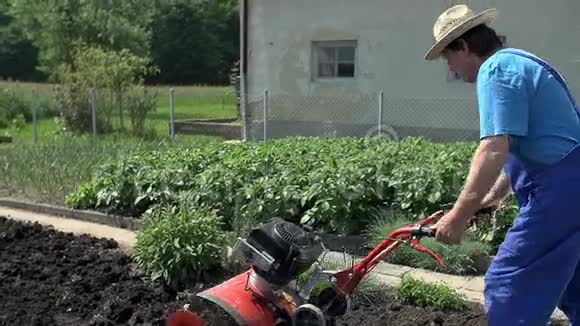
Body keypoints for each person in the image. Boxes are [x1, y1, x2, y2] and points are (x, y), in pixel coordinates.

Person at [424, 4, 580, 326]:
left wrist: (458, 215)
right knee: (574, 286)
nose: (451, 68)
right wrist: (490, 197)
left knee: (510, 284)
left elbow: (493, 148)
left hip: (563, 194)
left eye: (448, 59)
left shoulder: (495, 70)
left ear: (464, 46)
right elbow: (532, 150)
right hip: (570, 187)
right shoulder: (519, 63)